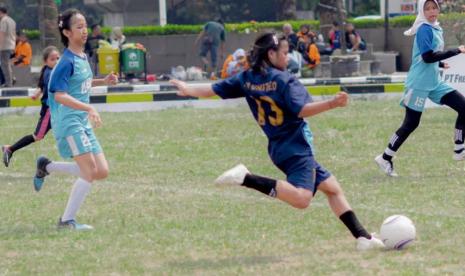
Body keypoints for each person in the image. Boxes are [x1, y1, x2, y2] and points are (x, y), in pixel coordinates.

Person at [170, 32, 384, 251]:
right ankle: (246, 178)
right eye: (284, 52)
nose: (288, 57)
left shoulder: (247, 78)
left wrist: (188, 89)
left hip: (278, 147)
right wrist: (332, 103)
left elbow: (212, 89)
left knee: (332, 187)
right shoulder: (284, 80)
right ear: (270, 54)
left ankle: (363, 238)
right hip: (296, 148)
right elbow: (301, 110)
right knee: (302, 199)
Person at [33, 9, 118, 230]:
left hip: (82, 121)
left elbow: (82, 84)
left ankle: (47, 166)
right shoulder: (65, 62)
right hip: (69, 123)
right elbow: (59, 94)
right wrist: (88, 107)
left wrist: (104, 81)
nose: (84, 30)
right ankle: (66, 221)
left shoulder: (82, 57)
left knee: (101, 171)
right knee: (89, 172)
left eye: (85, 26)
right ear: (67, 32)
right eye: (79, 27)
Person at [375, 0, 465, 177]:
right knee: (411, 123)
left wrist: (440, 64)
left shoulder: (436, 28)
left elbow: (429, 56)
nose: (432, 12)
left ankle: (459, 147)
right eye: (427, 9)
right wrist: (456, 51)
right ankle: (385, 157)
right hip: (418, 84)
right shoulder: (424, 28)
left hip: (434, 82)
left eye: (434, 8)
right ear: (421, 11)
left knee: (463, 107)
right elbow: (426, 57)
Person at [2, 46, 59, 167]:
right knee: (38, 136)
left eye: (58, 58)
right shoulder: (50, 73)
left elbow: (42, 86)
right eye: (53, 59)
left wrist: (37, 93)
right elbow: (50, 86)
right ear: (46, 62)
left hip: (56, 110)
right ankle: (10, 149)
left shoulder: (49, 71)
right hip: (49, 111)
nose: (56, 61)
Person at [0, 4, 16, 87]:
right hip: (11, 45)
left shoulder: (3, 21)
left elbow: (2, 34)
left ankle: (8, 83)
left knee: (4, 65)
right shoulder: (12, 20)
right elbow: (14, 34)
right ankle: (9, 81)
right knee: (7, 64)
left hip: (4, 46)